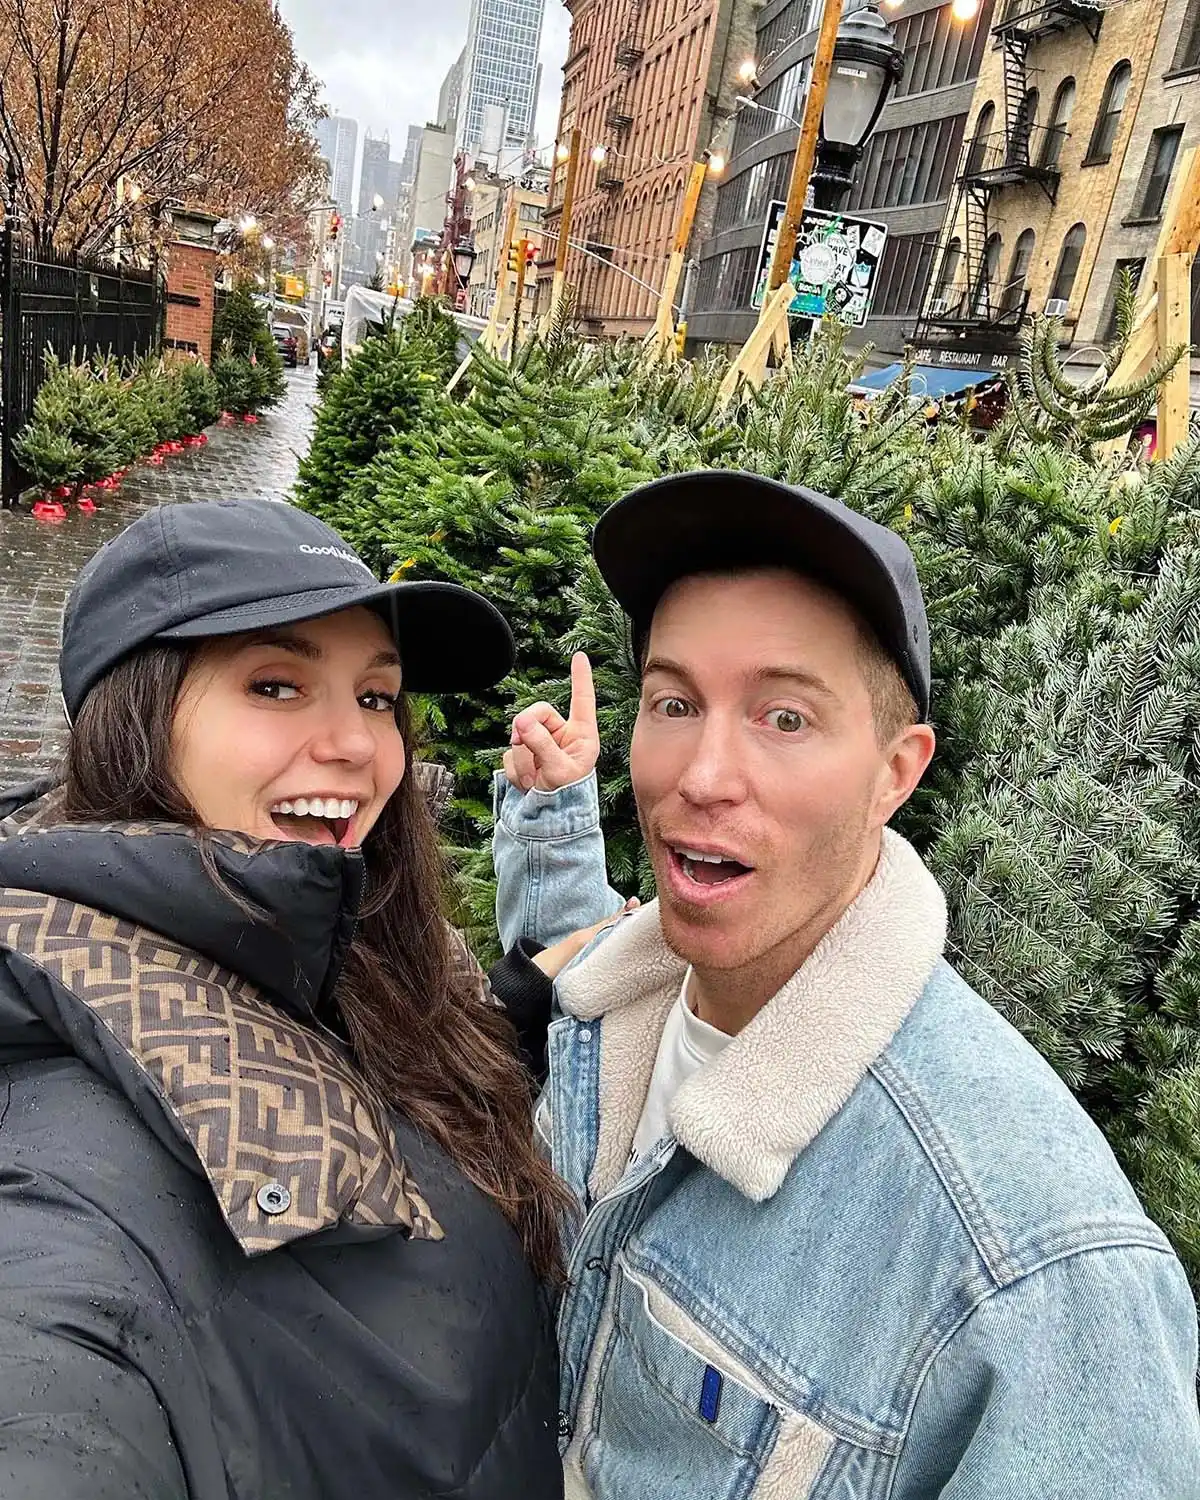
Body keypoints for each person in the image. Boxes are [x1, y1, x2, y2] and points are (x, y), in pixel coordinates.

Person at [492, 471, 1200, 1498]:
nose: (702, 775)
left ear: (896, 773)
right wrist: (550, 816)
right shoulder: (611, 1014)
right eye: (674, 703)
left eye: (785, 717)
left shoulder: (1032, 1271)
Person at [0, 498, 569, 1500]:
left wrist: (522, 1004)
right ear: (136, 718)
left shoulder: (334, 939)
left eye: (377, 696)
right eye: (276, 685)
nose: (357, 744)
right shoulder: (60, 1197)